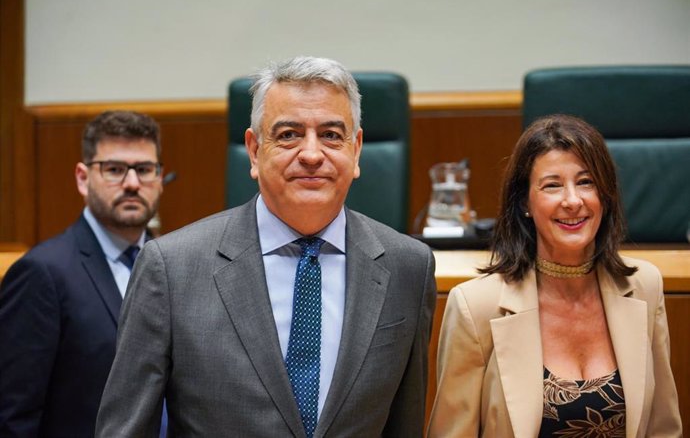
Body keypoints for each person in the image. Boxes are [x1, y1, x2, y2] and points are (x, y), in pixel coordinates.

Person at [95, 56, 436, 437]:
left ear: (355, 150)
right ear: (255, 151)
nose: (311, 154)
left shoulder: (409, 267)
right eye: (289, 134)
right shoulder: (171, 267)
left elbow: (405, 425)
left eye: (331, 135)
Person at [428, 114, 682, 437]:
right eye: (552, 185)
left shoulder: (644, 287)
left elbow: (664, 428)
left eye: (586, 182)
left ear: (605, 195)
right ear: (525, 203)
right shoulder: (475, 307)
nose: (573, 201)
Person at [0, 110, 165, 436]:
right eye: (115, 169)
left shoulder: (177, 263)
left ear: (159, 178)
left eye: (144, 170)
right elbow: (13, 416)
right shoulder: (41, 273)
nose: (132, 183)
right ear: (82, 177)